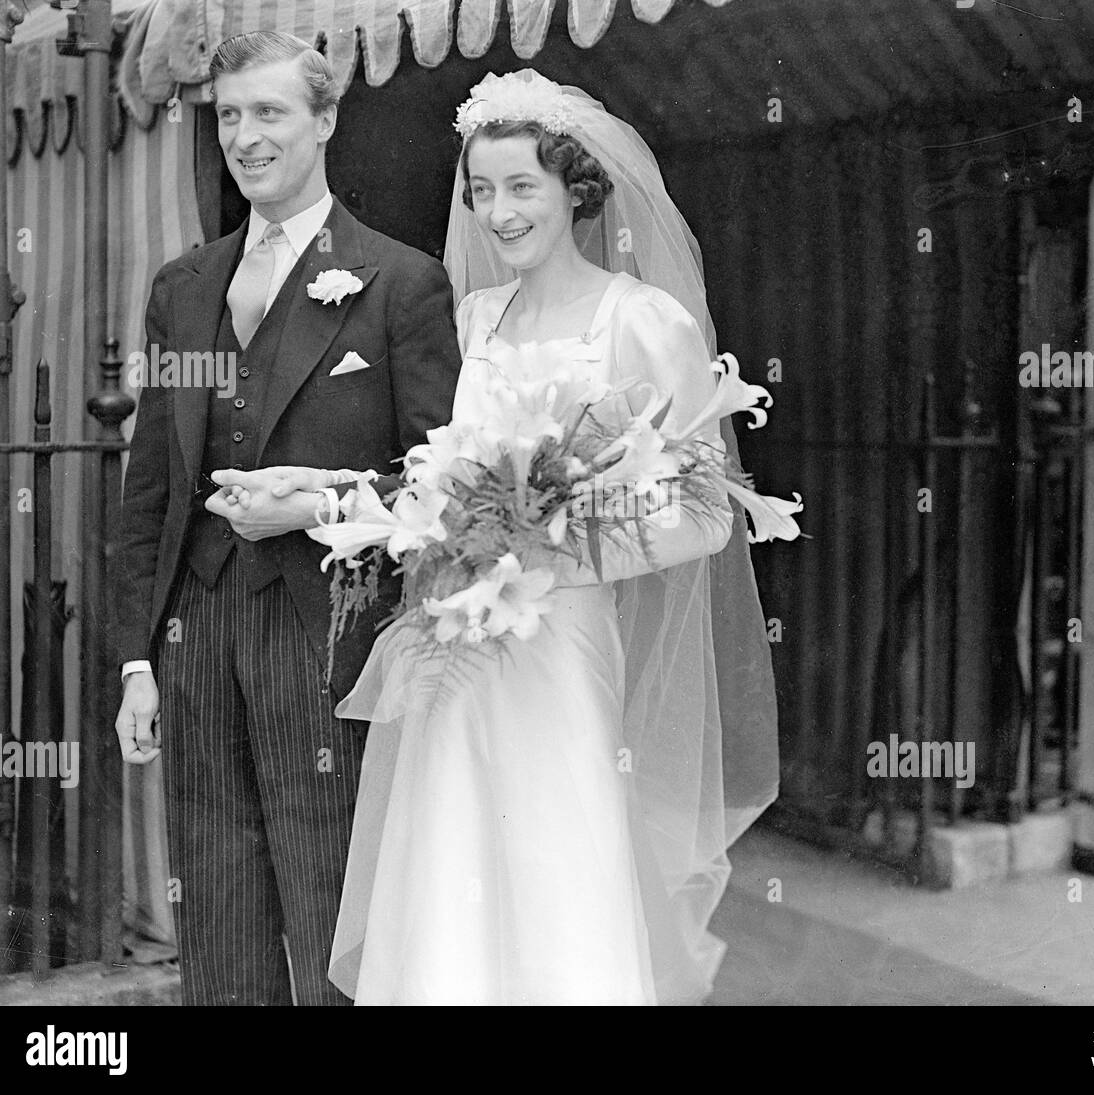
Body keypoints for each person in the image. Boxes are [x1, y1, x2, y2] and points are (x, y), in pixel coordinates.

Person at [218, 70, 781, 1004]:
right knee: (453, 870)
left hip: (559, 647)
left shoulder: (640, 321)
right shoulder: (470, 321)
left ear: (576, 189)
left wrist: (556, 541)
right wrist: (317, 489)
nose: (498, 212)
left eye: (522, 187)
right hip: (456, 649)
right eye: (481, 191)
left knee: (556, 865)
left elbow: (708, 512)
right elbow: (424, 478)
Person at [110, 31, 460, 1005]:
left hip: (330, 641)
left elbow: (444, 492)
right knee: (216, 911)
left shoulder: (401, 283)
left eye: (269, 113)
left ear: (325, 120)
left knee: (332, 910)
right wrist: (138, 659)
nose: (245, 137)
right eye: (229, 116)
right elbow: (148, 487)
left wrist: (317, 500)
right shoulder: (183, 289)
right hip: (194, 635)